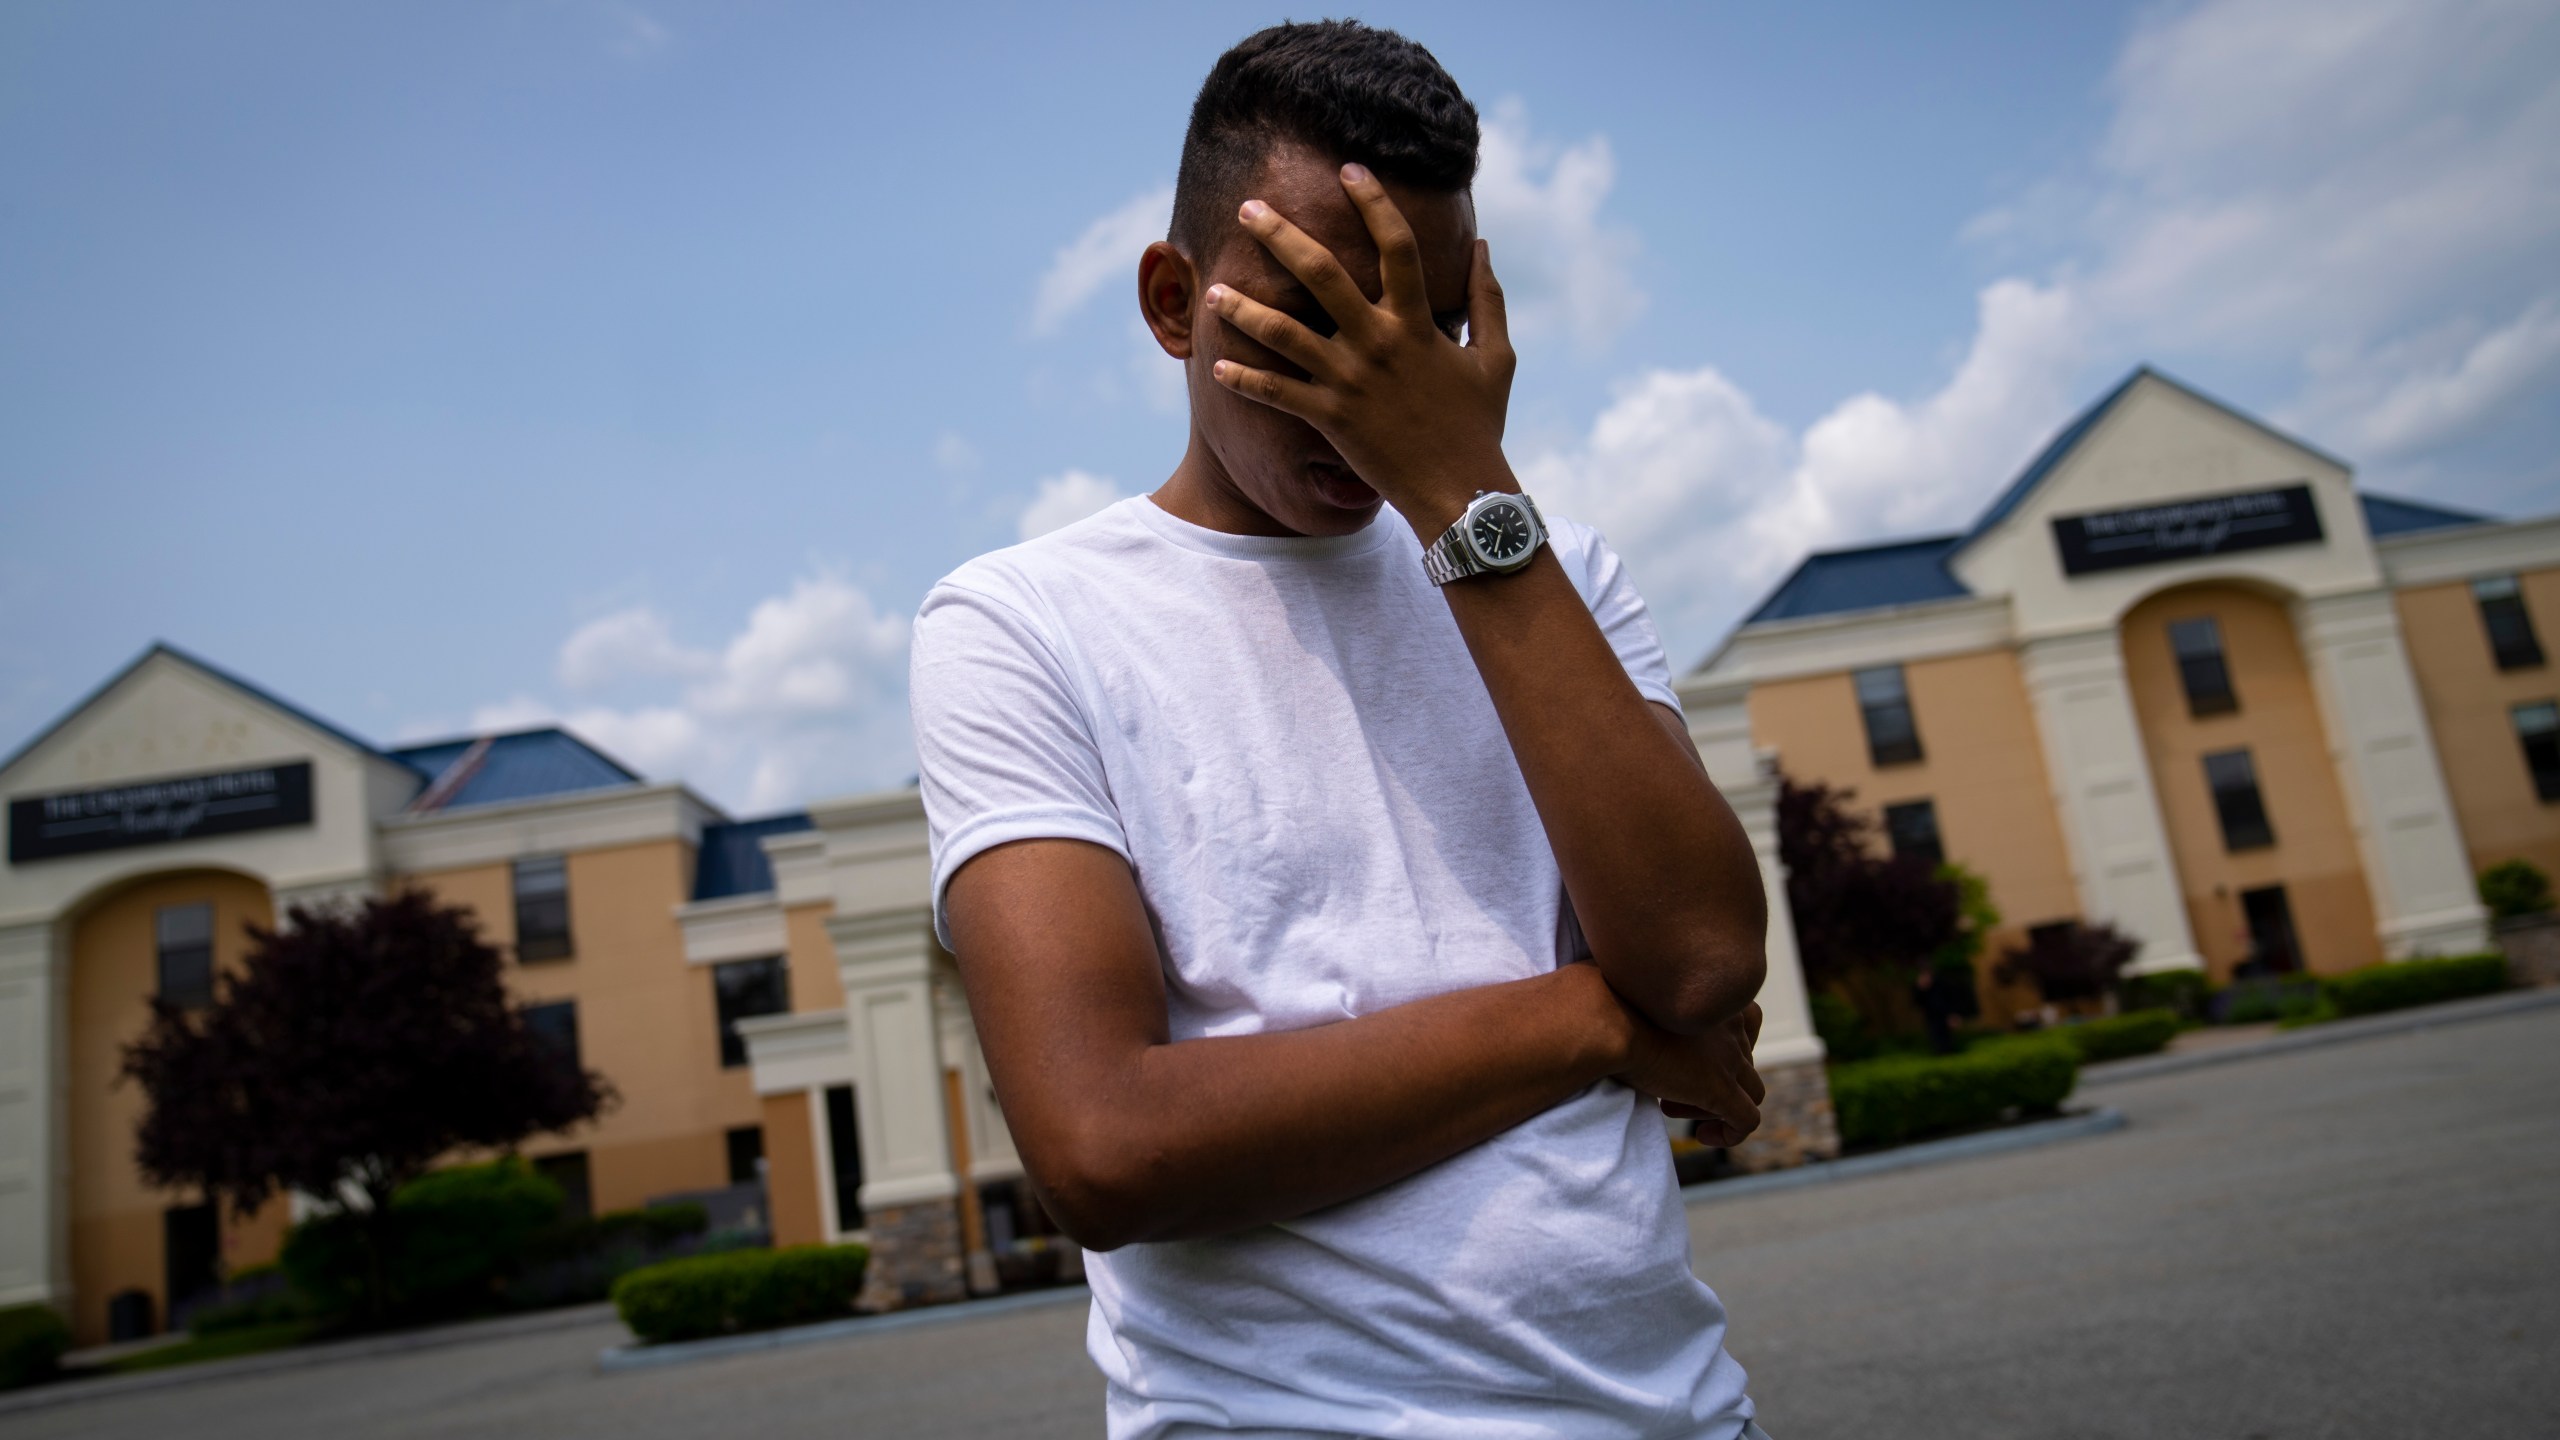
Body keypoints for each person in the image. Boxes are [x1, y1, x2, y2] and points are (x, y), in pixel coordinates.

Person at [911, 20, 1776, 1439]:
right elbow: (1102, 1150)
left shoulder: (1549, 572)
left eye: (1421, 326)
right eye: (1314, 313)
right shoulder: (1019, 624)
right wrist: (1583, 1020)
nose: (1370, 381)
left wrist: (1461, 497)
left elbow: (1698, 957)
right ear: (1173, 301)